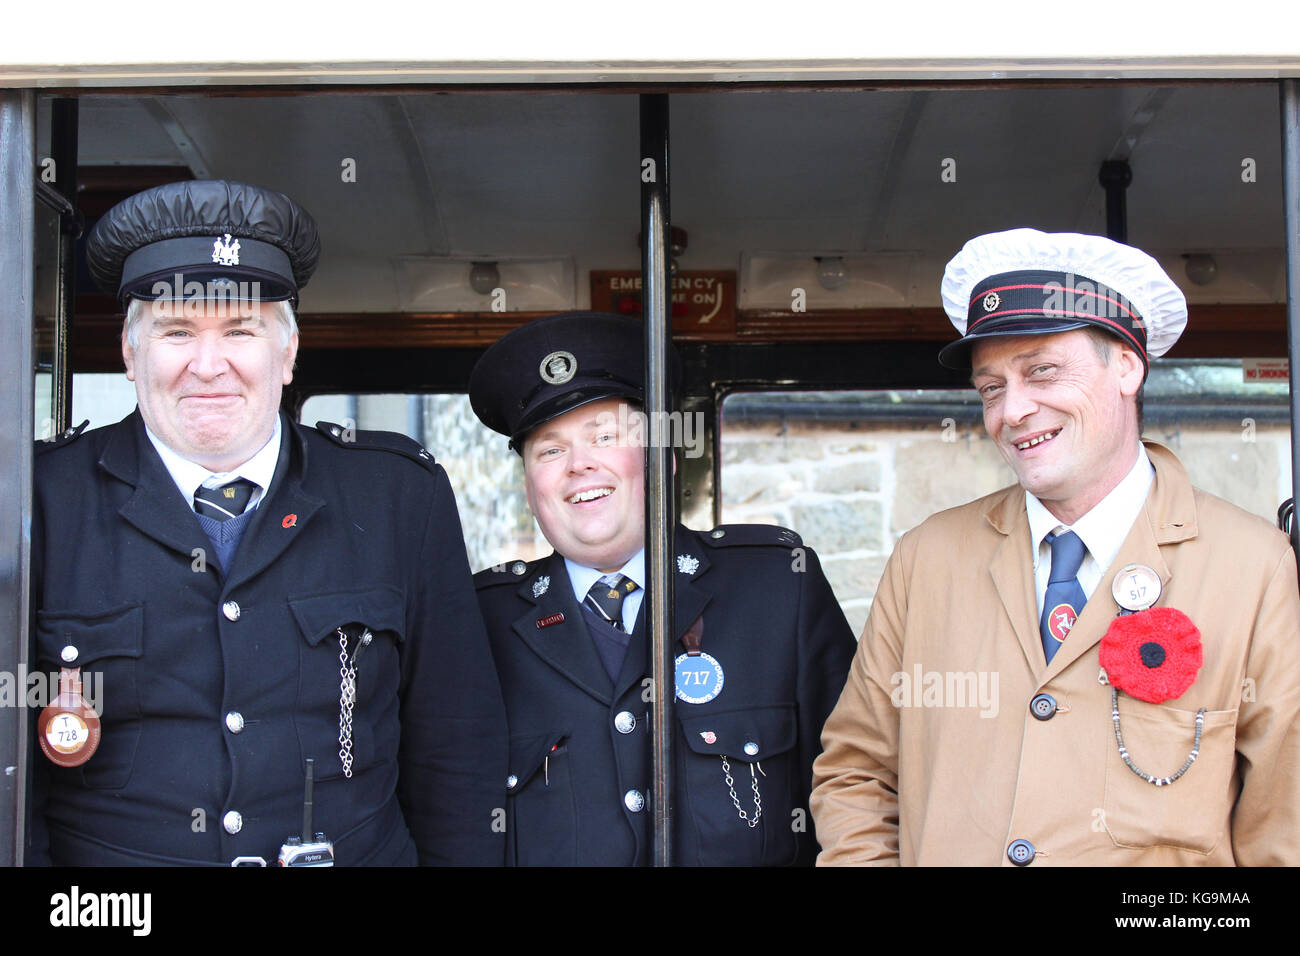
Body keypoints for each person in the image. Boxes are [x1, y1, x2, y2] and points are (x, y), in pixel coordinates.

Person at [28, 179, 507, 866]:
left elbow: (458, 751)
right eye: (176, 331)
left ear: (287, 354)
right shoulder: (41, 501)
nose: (208, 364)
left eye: (240, 330)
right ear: (130, 353)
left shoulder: (398, 496)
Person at [811, 228, 1300, 866]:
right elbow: (857, 775)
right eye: (991, 388)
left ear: (1127, 365)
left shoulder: (1252, 564)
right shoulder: (926, 559)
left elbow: (1281, 825)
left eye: (1041, 371)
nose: (1013, 411)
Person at [468, 311, 856, 865]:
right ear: (531, 485)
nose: (579, 465)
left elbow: (858, 781)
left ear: (665, 460)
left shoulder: (776, 588)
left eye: (605, 436)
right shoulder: (481, 623)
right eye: (550, 451)